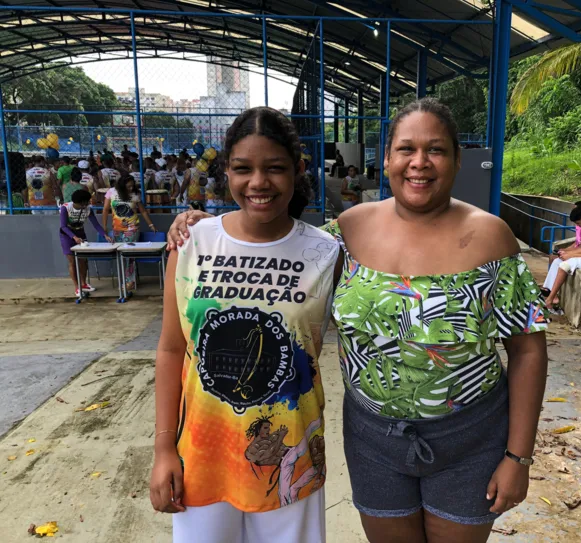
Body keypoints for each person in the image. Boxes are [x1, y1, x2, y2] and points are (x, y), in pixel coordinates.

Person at [167, 98, 549, 543]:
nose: (419, 163)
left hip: (469, 439)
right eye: (406, 149)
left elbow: (527, 350)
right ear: (386, 158)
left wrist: (518, 457)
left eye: (436, 150)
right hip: (374, 441)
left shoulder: (491, 237)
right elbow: (274, 246)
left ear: (457, 159)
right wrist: (204, 227)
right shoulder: (345, 233)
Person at [151, 107, 338, 543]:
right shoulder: (192, 241)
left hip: (290, 456)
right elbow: (170, 350)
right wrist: (163, 449)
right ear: (227, 173)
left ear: (297, 171)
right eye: (243, 169)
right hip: (202, 453)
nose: (258, 182)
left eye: (275, 168)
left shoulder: (326, 251)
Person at [102, 174, 156, 293]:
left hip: (132, 229)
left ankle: (130, 281)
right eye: (128, 186)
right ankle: (124, 279)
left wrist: (151, 225)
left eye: (132, 186)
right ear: (122, 186)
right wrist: (104, 226)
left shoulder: (135, 195)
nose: (131, 188)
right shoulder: (111, 192)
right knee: (120, 255)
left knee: (129, 255)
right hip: (117, 229)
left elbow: (143, 211)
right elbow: (106, 209)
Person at [59, 189, 112, 296]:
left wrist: (104, 235)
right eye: (87, 201)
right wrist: (74, 237)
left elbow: (96, 224)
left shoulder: (88, 209)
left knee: (83, 260)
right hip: (67, 236)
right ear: (82, 202)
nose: (88, 203)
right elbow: (63, 226)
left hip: (81, 234)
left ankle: (84, 284)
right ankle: (77, 287)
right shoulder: (66, 208)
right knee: (72, 261)